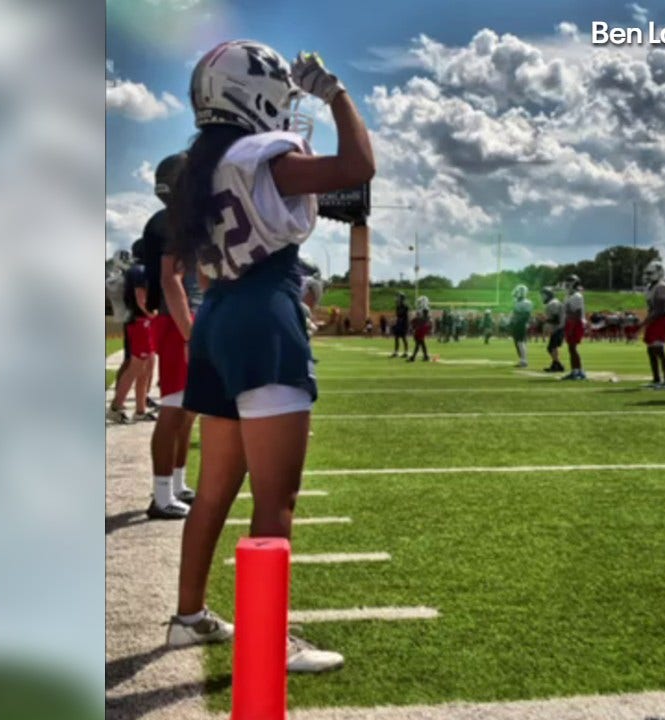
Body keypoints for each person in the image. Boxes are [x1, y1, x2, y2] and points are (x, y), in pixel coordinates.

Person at [165, 42, 371, 674]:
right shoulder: (261, 156)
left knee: (216, 489)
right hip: (263, 312)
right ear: (252, 95)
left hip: (218, 316)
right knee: (276, 494)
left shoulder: (195, 167)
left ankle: (189, 615)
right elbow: (358, 166)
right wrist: (337, 94)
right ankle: (267, 638)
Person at [139, 153, 201, 519]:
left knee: (186, 411)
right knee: (173, 409)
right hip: (178, 319)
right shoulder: (173, 222)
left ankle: (176, 483)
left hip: (179, 318)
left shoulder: (166, 219)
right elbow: (170, 279)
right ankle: (161, 495)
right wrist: (190, 334)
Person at [109, 241, 158, 423]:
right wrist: (154, 315)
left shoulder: (136, 269)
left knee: (144, 368)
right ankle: (116, 407)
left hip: (139, 322)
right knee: (136, 367)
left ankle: (140, 409)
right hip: (140, 322)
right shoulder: (139, 270)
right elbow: (141, 299)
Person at [634, 261, 665, 389]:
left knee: (659, 350)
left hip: (660, 320)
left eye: (650, 273)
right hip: (653, 319)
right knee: (651, 350)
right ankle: (656, 379)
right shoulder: (651, 287)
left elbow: (660, 309)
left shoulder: (662, 286)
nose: (647, 275)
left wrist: (644, 323)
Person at [562, 275, 587, 380]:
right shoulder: (569, 296)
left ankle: (577, 371)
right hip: (571, 322)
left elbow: (576, 313)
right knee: (571, 348)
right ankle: (577, 371)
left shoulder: (577, 296)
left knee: (572, 348)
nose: (567, 284)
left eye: (569, 282)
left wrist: (571, 327)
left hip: (575, 323)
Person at [540, 286, 565, 373]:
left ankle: (558, 364)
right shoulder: (553, 302)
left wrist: (546, 320)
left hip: (559, 328)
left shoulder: (553, 303)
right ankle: (556, 364)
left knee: (551, 347)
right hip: (559, 327)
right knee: (552, 347)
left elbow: (556, 319)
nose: (542, 297)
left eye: (544, 295)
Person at [509, 285, 533, 368]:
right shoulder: (516, 301)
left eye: (517, 291)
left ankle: (524, 360)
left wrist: (517, 320)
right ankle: (522, 359)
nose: (515, 293)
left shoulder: (527, 302)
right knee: (517, 342)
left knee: (521, 342)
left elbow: (526, 315)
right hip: (517, 324)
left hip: (521, 324)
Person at [408, 295, 431, 362]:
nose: (419, 303)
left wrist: (417, 318)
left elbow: (424, 320)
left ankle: (413, 357)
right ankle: (426, 356)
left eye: (420, 302)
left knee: (418, 343)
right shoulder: (423, 309)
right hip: (420, 328)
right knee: (421, 343)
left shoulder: (425, 309)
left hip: (422, 328)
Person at [390, 291, 410, 356]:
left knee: (404, 338)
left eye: (398, 297)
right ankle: (396, 351)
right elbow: (398, 314)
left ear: (402, 298)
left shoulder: (405, 306)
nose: (397, 299)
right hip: (399, 323)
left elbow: (401, 314)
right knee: (396, 337)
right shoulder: (398, 306)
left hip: (404, 323)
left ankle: (406, 352)